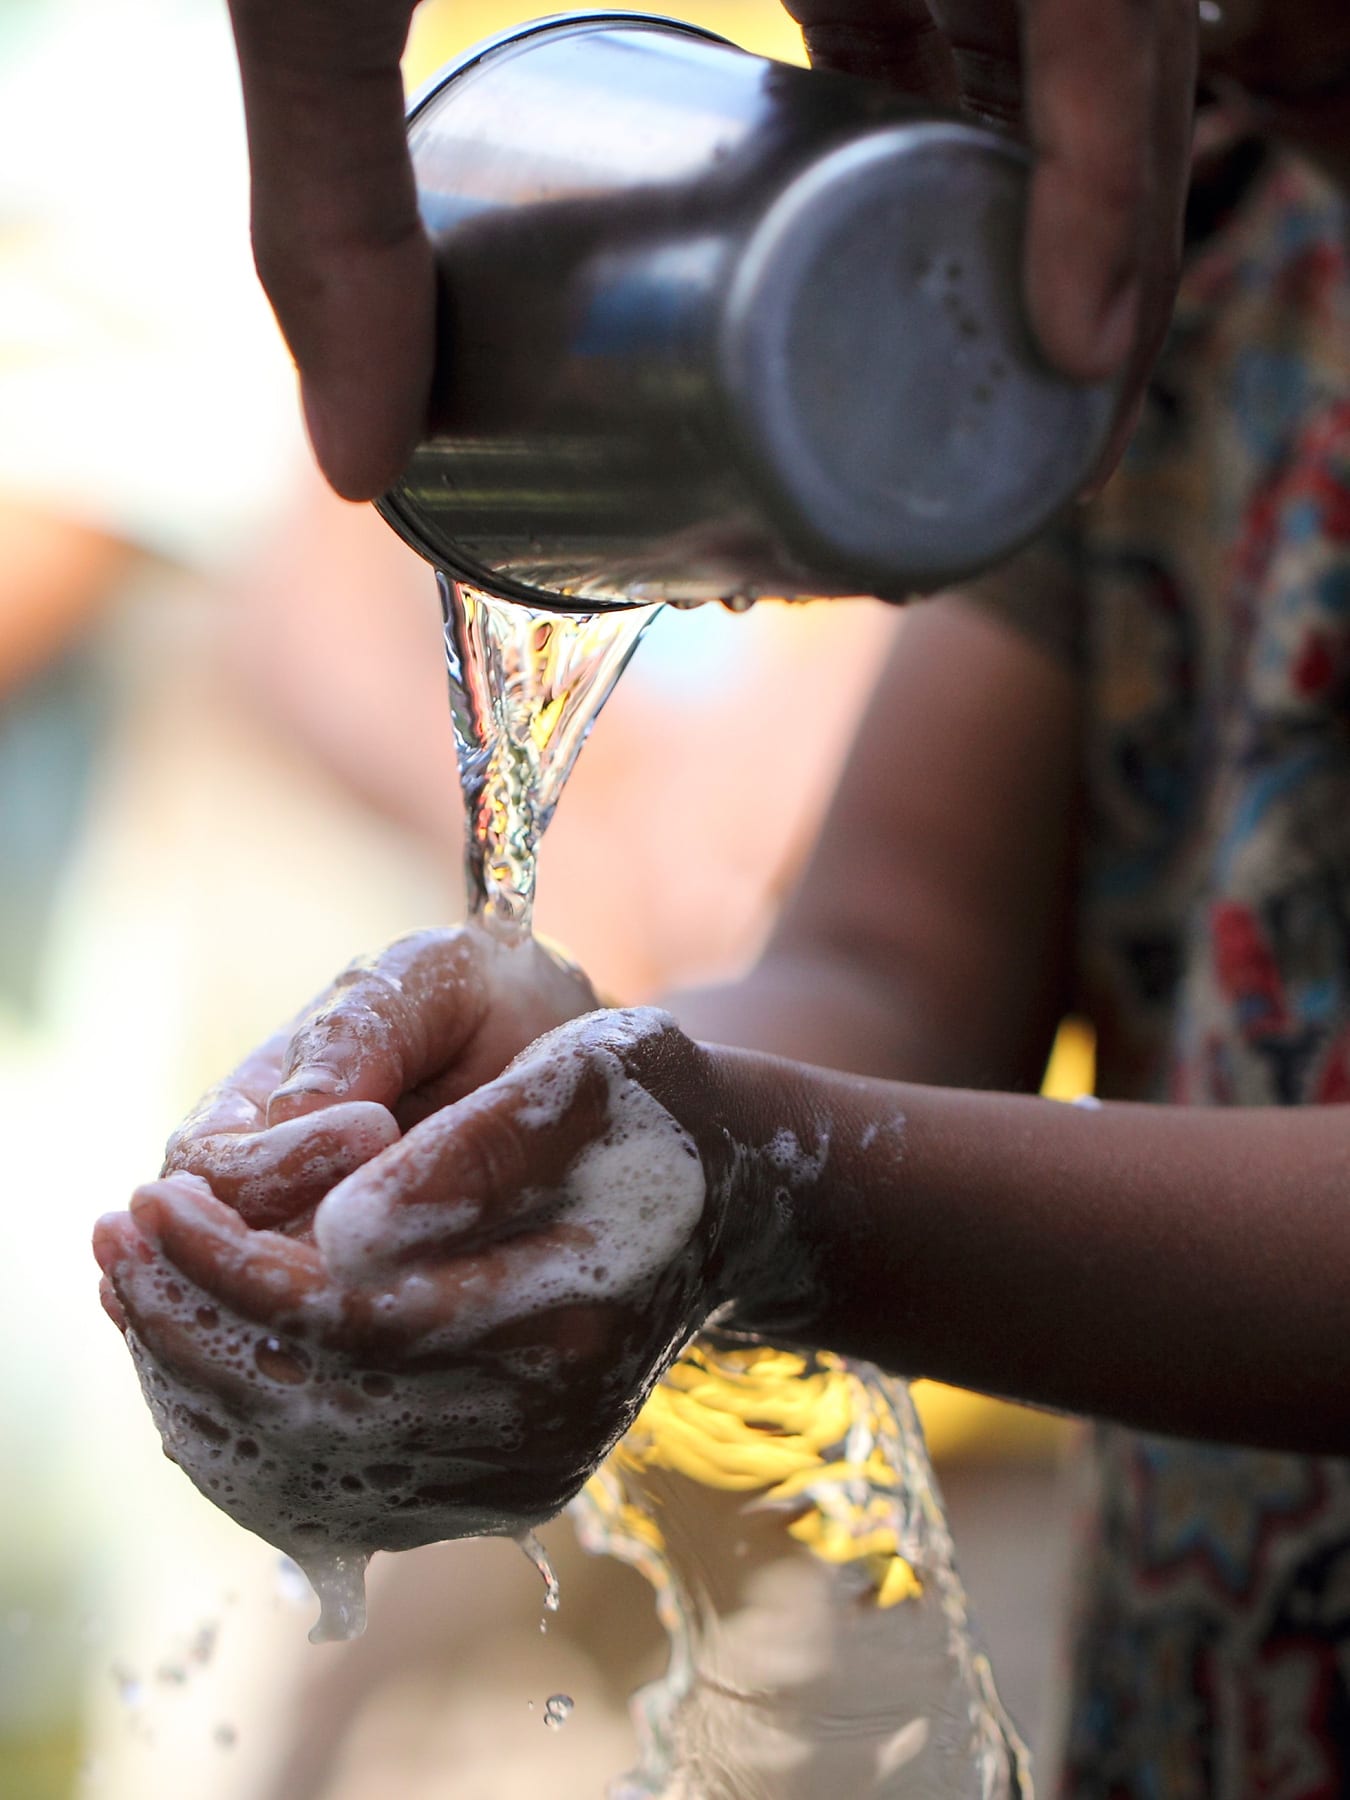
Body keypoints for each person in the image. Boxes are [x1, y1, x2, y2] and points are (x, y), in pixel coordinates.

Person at [96, 0, 1350, 1793]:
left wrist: (748, 1186)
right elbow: (889, 959)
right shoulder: (1179, 237)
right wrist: (558, 1108)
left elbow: (794, 1142)